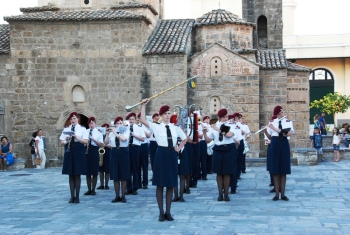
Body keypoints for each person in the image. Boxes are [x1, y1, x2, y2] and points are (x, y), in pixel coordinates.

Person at [140, 100, 187, 222]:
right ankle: (161, 212)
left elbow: (184, 138)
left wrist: (178, 149)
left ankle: (168, 212)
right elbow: (143, 120)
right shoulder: (156, 126)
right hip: (161, 154)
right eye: (165, 113)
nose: (167, 115)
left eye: (169, 113)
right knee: (160, 184)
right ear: (161, 115)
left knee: (170, 184)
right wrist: (143, 106)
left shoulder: (174, 127)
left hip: (172, 154)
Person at [203, 109, 236, 202]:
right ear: (220, 117)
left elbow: (229, 135)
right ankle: (220, 194)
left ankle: (226, 194)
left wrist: (218, 129)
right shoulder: (214, 126)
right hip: (218, 149)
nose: (226, 118)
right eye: (224, 117)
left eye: (227, 117)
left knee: (227, 172)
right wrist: (205, 133)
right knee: (219, 173)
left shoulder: (230, 126)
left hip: (228, 149)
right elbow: (208, 140)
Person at [263, 106, 293, 201]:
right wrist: (265, 131)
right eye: (280, 113)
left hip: (284, 143)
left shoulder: (288, 122)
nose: (282, 114)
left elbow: (288, 134)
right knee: (275, 170)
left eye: (282, 112)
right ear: (277, 114)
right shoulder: (272, 122)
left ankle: (283, 194)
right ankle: (276, 194)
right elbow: (271, 137)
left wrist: (275, 129)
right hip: (275, 144)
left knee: (283, 170)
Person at [60, 112, 89, 203]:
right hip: (69, 151)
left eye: (75, 118)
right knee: (70, 174)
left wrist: (76, 137)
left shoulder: (82, 129)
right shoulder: (66, 129)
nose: (73, 120)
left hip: (78, 150)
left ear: (78, 119)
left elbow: (86, 141)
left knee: (77, 174)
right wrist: (66, 140)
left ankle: (77, 196)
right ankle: (72, 196)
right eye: (72, 118)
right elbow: (62, 142)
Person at [106, 116, 130, 203]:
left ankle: (123, 196)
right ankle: (117, 196)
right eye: (117, 123)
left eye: (121, 123)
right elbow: (105, 143)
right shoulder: (112, 133)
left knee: (124, 175)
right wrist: (108, 134)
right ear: (115, 124)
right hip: (114, 152)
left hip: (123, 152)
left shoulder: (126, 131)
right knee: (115, 175)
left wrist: (115, 132)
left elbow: (123, 139)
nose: (119, 125)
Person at [126, 112, 145, 195]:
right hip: (127, 147)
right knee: (128, 169)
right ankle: (128, 187)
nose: (131, 121)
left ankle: (135, 187)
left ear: (135, 120)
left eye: (132, 119)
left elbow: (142, 139)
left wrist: (133, 134)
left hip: (135, 147)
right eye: (129, 119)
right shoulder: (125, 128)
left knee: (135, 168)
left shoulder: (139, 128)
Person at [84, 117, 104, 196]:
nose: (91, 125)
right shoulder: (86, 131)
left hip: (95, 150)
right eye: (89, 123)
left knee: (94, 171)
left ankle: (93, 189)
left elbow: (101, 145)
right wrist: (86, 143)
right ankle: (89, 189)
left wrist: (93, 139)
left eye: (92, 123)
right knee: (88, 172)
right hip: (87, 150)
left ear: (95, 124)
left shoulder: (98, 132)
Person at [137, 112, 151, 189]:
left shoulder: (147, 126)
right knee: (138, 165)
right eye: (139, 118)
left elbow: (149, 135)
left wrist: (142, 129)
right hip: (138, 145)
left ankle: (145, 183)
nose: (140, 119)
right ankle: (138, 182)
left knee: (144, 165)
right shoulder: (136, 126)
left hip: (145, 145)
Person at [97, 123, 111, 190]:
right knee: (101, 168)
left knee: (107, 169)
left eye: (106, 127)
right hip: (101, 151)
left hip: (108, 151)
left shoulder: (110, 135)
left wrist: (105, 145)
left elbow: (111, 145)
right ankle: (101, 184)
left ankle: (106, 184)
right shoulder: (100, 134)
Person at [199, 116, 210, 180]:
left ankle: (204, 174)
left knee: (203, 159)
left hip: (203, 142)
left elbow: (206, 129)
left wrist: (200, 121)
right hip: (197, 141)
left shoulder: (204, 124)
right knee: (197, 159)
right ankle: (198, 174)